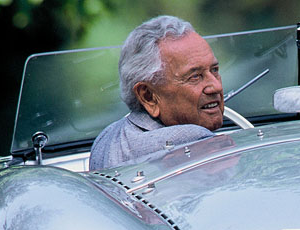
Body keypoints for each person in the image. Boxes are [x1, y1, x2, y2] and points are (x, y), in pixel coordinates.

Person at [89, 15, 224, 169]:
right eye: (195, 77)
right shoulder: (197, 142)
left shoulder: (105, 139)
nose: (216, 86)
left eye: (214, 70)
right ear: (148, 96)